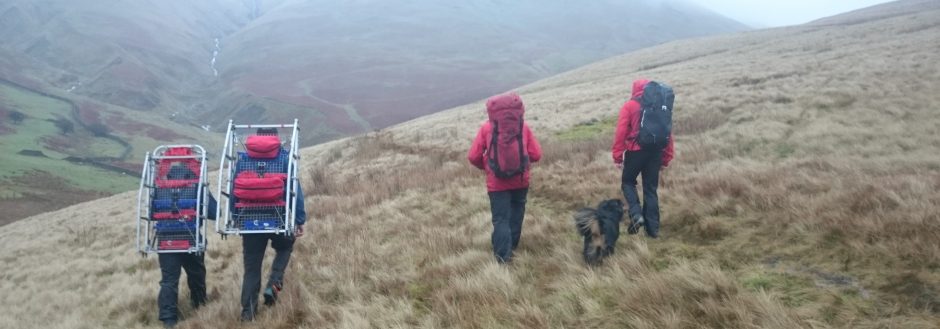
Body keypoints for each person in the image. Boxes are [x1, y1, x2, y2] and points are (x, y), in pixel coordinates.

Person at [239, 128, 307, 321]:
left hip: (249, 220)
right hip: (279, 217)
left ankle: (247, 314)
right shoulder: (284, 159)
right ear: (275, 139)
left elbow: (234, 188)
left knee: (251, 269)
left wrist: (237, 219)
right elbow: (295, 189)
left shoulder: (243, 159)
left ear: (255, 139)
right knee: (285, 247)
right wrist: (299, 219)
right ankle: (274, 282)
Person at [467, 92, 542, 264]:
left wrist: (487, 167)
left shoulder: (486, 128)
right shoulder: (523, 127)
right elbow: (536, 154)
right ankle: (512, 247)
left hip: (497, 184)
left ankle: (502, 258)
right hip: (521, 181)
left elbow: (473, 156)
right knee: (516, 214)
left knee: (501, 219)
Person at [157, 163, 218, 328]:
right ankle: (199, 306)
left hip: (165, 241)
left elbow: (151, 213)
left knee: (169, 280)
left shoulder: (160, 188)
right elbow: (214, 212)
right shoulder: (196, 187)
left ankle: (168, 320)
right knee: (196, 274)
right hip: (190, 239)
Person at [611, 79, 674, 239]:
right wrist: (666, 158)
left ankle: (636, 214)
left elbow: (621, 132)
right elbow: (667, 133)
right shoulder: (660, 105)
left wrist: (618, 156)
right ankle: (653, 231)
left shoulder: (630, 106)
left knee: (628, 182)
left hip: (636, 151)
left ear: (634, 90)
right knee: (650, 190)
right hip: (655, 152)